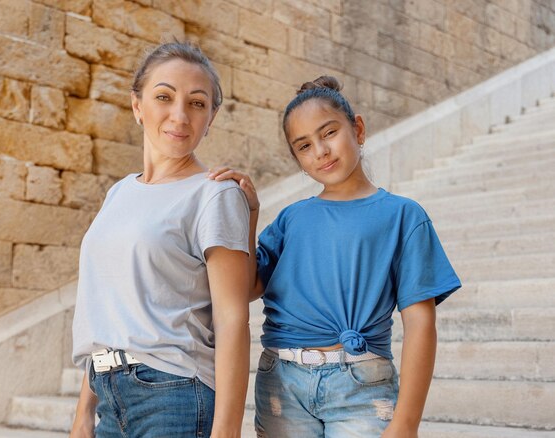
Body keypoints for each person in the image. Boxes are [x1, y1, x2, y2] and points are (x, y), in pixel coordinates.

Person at [208, 76, 461, 438]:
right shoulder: (291, 219)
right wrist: (250, 215)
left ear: (357, 129)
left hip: (362, 384)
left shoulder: (404, 216)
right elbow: (247, 287)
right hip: (282, 382)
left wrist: (406, 422)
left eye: (329, 133)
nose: (321, 151)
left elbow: (421, 325)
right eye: (305, 146)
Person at [70, 42, 251, 438]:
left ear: (212, 117)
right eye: (164, 97)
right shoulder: (119, 192)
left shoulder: (214, 193)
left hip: (175, 394)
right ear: (137, 106)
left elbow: (233, 318)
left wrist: (227, 430)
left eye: (198, 103)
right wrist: (84, 410)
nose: (180, 115)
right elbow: (106, 306)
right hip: (107, 392)